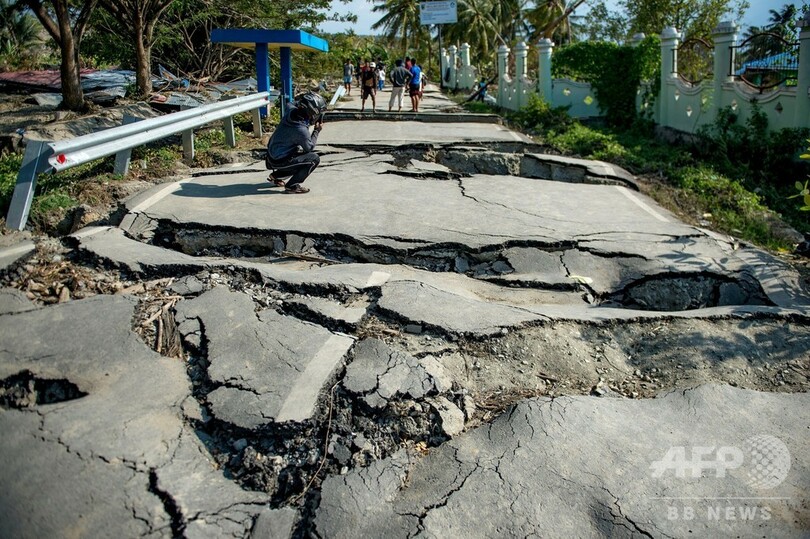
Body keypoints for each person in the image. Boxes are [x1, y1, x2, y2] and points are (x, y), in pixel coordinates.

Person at [265, 92, 326, 194]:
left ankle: (277, 175)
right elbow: (309, 148)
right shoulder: (300, 129)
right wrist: (316, 131)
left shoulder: (290, 109)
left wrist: (302, 100)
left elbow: (292, 103)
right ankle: (292, 186)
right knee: (313, 159)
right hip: (279, 161)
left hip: (271, 156)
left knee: (299, 153)